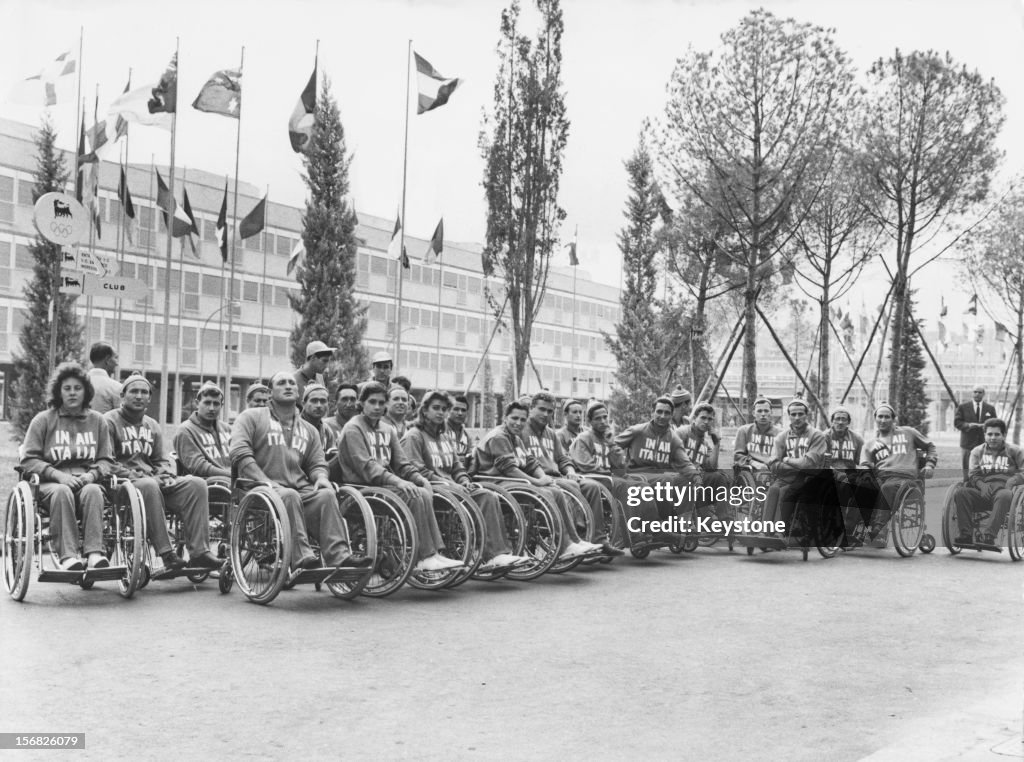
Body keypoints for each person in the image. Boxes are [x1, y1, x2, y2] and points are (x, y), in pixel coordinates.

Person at [230, 371, 371, 573]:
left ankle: (340, 557)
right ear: (270, 393)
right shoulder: (251, 417)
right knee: (289, 495)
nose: (288, 386)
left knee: (326, 495)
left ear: (298, 393)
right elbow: (240, 453)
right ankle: (302, 558)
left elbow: (317, 463)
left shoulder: (309, 430)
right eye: (281, 383)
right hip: (258, 488)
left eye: (291, 383)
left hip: (297, 490)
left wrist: (321, 478)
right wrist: (266, 482)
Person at [335, 382, 463, 573]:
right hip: (360, 488)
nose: (377, 407)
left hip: (383, 487)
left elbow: (402, 464)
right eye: (372, 402)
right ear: (361, 403)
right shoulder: (353, 428)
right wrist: (399, 482)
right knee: (414, 495)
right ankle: (424, 556)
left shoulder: (387, 429)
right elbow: (368, 468)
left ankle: (435, 553)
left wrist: (420, 479)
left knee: (422, 492)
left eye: (381, 403)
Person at [402, 390, 529, 571]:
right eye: (436, 408)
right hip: (433, 489)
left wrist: (463, 480)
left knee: (487, 496)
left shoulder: (444, 437)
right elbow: (417, 470)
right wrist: (450, 484)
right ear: (424, 411)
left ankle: (496, 554)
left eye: (444, 409)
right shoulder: (414, 436)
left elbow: (457, 467)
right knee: (479, 496)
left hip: (452, 487)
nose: (441, 412)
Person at [105, 374, 221, 571]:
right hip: (123, 486)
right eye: (134, 391)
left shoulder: (152, 425)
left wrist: (166, 475)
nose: (139, 396)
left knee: (196, 484)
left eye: (144, 392)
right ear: (122, 396)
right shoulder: (108, 422)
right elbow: (107, 463)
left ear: (150, 398)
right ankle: (167, 554)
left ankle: (200, 552)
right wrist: (144, 477)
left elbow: (162, 459)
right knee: (149, 485)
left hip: (154, 483)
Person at [475, 401, 604, 561]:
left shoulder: (516, 438)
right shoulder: (498, 437)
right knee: (545, 493)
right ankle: (564, 545)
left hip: (510, 481)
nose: (518, 423)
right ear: (505, 417)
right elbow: (509, 469)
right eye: (514, 418)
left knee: (556, 491)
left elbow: (531, 463)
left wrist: (544, 478)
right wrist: (536, 482)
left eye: (522, 420)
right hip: (495, 481)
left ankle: (573, 541)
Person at [20, 362, 114, 570]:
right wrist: (58, 476)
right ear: (58, 392)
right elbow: (28, 460)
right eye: (67, 388)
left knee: (93, 491)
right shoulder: (43, 420)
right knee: (62, 492)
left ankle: (94, 554)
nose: (72, 393)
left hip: (85, 481)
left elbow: (106, 460)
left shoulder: (98, 421)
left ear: (86, 392)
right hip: (50, 484)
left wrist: (91, 475)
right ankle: (68, 557)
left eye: (77, 388)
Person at [524, 391, 622, 555]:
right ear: (531, 408)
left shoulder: (550, 434)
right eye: (541, 409)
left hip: (558, 476)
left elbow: (563, 459)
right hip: (538, 478)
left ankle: (598, 539)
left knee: (592, 486)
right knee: (569, 485)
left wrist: (570, 471)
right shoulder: (522, 430)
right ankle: (579, 532)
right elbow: (525, 460)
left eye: (549, 411)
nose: (546, 414)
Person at [569, 401, 653, 550]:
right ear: (589, 421)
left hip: (608, 478)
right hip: (591, 478)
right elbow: (585, 465)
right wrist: (609, 473)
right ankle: (627, 533)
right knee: (624, 485)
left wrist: (612, 444)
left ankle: (648, 528)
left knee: (643, 486)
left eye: (605, 417)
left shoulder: (607, 439)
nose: (602, 421)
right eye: (598, 418)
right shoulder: (584, 438)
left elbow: (620, 464)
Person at [614, 395, 701, 536]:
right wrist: (619, 462)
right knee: (666, 480)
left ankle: (682, 523)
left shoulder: (673, 438)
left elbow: (684, 462)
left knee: (686, 481)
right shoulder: (638, 431)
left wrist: (696, 476)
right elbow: (613, 446)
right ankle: (659, 524)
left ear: (671, 415)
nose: (662, 416)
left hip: (659, 474)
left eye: (667, 413)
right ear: (652, 412)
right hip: (636, 474)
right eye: (659, 411)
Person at [859, 403, 937, 541]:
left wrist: (930, 465)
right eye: (880, 417)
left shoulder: (908, 433)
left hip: (905, 478)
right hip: (882, 476)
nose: (883, 420)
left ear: (893, 419)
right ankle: (858, 529)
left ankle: (878, 529)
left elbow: (930, 446)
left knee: (887, 488)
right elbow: (865, 464)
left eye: (887, 417)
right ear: (875, 419)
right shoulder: (870, 444)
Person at [762, 399, 828, 538]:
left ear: (807, 415)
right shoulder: (782, 437)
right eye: (793, 414)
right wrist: (797, 465)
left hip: (808, 479)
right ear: (789, 416)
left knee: (785, 492)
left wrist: (786, 460)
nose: (797, 418)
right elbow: (773, 464)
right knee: (773, 490)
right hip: (785, 477)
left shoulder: (817, 436)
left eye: (800, 414)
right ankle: (765, 531)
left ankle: (779, 531)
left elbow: (808, 464)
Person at [953, 418, 1023, 546]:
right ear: (984, 435)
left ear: (1004, 435)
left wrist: (1012, 481)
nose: (993, 438)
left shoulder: (1015, 451)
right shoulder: (977, 451)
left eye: (997, 434)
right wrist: (981, 485)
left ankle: (988, 536)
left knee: (1005, 495)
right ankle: (965, 534)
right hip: (983, 492)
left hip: (1004, 493)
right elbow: (973, 474)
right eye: (989, 434)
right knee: (961, 493)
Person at [677, 402, 732, 523]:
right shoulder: (682, 432)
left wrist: (717, 443)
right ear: (694, 418)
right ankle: (705, 520)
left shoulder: (705, 443)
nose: (706, 422)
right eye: (703, 418)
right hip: (678, 476)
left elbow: (712, 467)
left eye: (710, 419)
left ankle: (726, 521)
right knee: (697, 480)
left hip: (695, 477)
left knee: (718, 477)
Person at [173, 381, 231, 483]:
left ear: (221, 406)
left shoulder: (227, 429)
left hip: (232, 480)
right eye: (207, 403)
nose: (212, 408)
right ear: (197, 403)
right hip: (205, 483)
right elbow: (198, 467)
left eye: (216, 404)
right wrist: (231, 475)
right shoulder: (185, 430)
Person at [954, 386, 997, 481]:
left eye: (980, 392)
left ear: (984, 394)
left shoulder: (990, 408)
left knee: (985, 466)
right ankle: (966, 484)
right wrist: (968, 425)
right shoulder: (963, 407)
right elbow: (957, 422)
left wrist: (986, 426)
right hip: (967, 443)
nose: (977, 394)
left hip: (984, 443)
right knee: (967, 466)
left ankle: (983, 484)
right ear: (972, 393)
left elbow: (995, 424)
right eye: (975, 392)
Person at [733, 397, 779, 477]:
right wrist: (753, 463)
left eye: (766, 411)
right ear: (754, 413)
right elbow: (738, 456)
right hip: (751, 471)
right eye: (759, 411)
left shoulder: (779, 433)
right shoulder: (744, 431)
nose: (763, 414)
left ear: (771, 412)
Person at [299, 382, 338, 455]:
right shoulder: (295, 427)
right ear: (303, 404)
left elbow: (333, 455)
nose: (319, 405)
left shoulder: (326, 430)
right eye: (314, 401)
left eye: (323, 401)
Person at [86, 341, 122, 414]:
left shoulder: (79, 384)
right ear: (107, 359)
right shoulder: (117, 387)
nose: (117, 363)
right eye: (115, 358)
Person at [322, 383, 359, 452]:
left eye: (353, 399)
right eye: (344, 399)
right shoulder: (325, 426)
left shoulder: (362, 427)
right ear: (335, 403)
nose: (349, 404)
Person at [447, 394, 475, 471]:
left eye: (463, 410)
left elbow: (472, 459)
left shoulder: (467, 436)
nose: (460, 413)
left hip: (463, 474)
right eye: (456, 409)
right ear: (448, 410)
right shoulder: (440, 431)